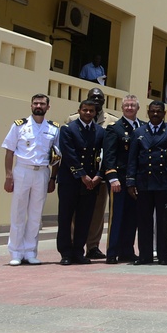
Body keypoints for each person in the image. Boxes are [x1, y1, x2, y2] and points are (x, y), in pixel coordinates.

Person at [2, 94, 61, 266]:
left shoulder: (54, 128)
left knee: (36, 214)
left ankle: (30, 251)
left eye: (42, 103)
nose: (38, 105)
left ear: (48, 107)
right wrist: (8, 175)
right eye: (35, 103)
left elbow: (57, 156)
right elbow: (9, 151)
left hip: (42, 172)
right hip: (22, 170)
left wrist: (52, 177)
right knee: (18, 212)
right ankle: (16, 252)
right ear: (31, 105)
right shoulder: (19, 125)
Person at [66, 87, 119, 260]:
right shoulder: (72, 119)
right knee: (75, 212)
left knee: (97, 212)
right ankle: (75, 244)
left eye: (99, 98)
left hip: (99, 177)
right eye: (92, 97)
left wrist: (100, 174)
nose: (96, 100)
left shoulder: (112, 120)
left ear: (104, 101)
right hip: (78, 176)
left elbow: (111, 151)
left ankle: (93, 246)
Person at [127, 101, 167, 265]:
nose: (155, 114)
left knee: (164, 222)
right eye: (153, 112)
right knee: (144, 221)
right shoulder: (139, 132)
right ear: (148, 112)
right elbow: (132, 159)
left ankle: (163, 255)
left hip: (165, 182)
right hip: (144, 182)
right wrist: (130, 182)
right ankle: (145, 255)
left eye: (159, 112)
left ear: (164, 113)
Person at [56, 99, 105, 265]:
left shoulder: (100, 131)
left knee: (84, 219)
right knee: (65, 218)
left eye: (91, 111)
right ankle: (66, 253)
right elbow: (69, 154)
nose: (88, 113)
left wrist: (99, 175)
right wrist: (82, 175)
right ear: (79, 110)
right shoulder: (68, 129)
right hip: (70, 181)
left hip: (91, 183)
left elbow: (103, 155)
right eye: (85, 110)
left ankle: (78, 251)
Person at [102, 94, 142, 264]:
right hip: (120, 180)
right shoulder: (114, 128)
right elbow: (109, 155)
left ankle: (127, 251)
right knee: (116, 216)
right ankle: (112, 252)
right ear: (122, 108)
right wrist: (112, 177)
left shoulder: (143, 127)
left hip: (137, 181)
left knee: (132, 217)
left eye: (132, 105)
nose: (129, 108)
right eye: (126, 105)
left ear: (138, 108)